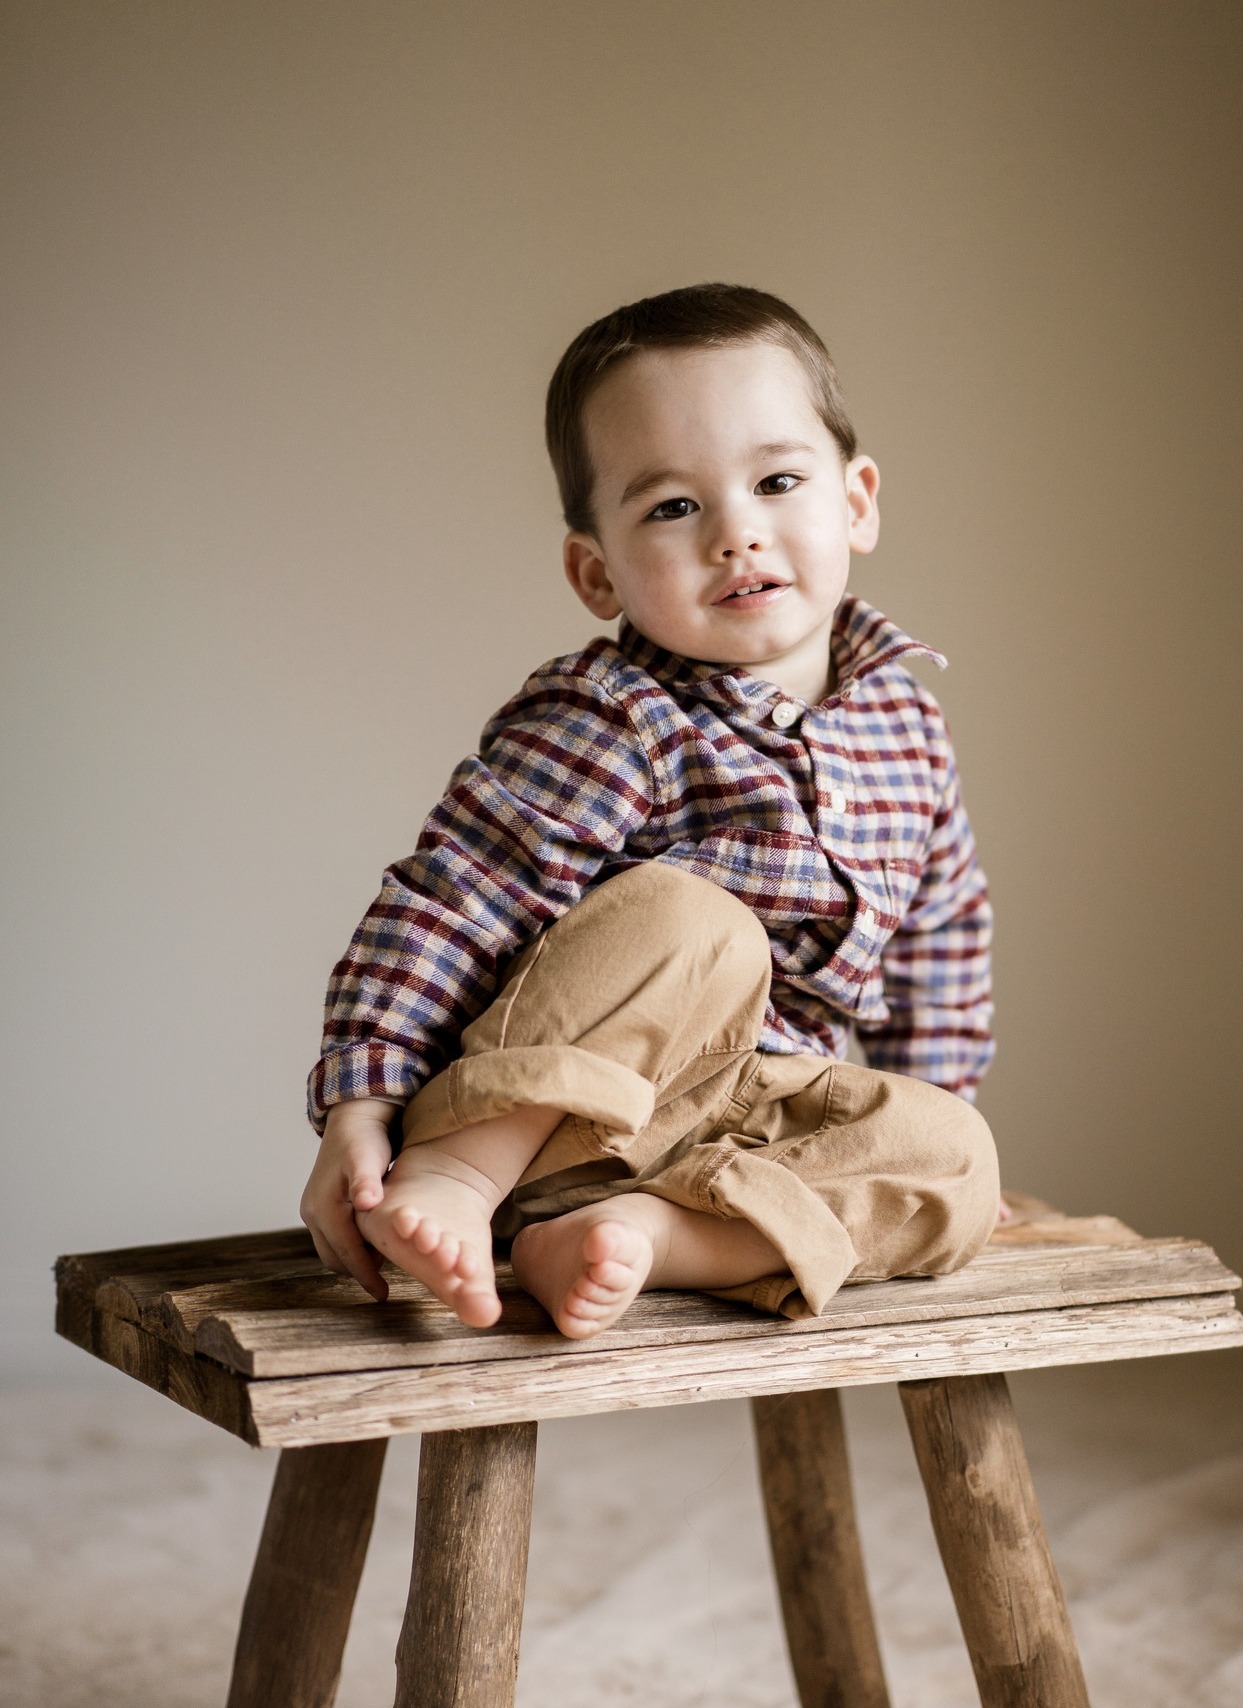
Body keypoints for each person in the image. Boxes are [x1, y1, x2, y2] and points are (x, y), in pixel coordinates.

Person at [300, 283, 1000, 1340]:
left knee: (958, 1158)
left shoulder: (905, 723)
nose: (736, 533)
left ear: (855, 502)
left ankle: (647, 1236)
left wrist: (908, 1113)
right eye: (673, 507)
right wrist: (361, 1100)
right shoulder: (611, 714)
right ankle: (459, 1182)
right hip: (549, 1121)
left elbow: (938, 938)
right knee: (697, 921)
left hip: (744, 1137)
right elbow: (453, 903)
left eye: (776, 482)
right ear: (596, 572)